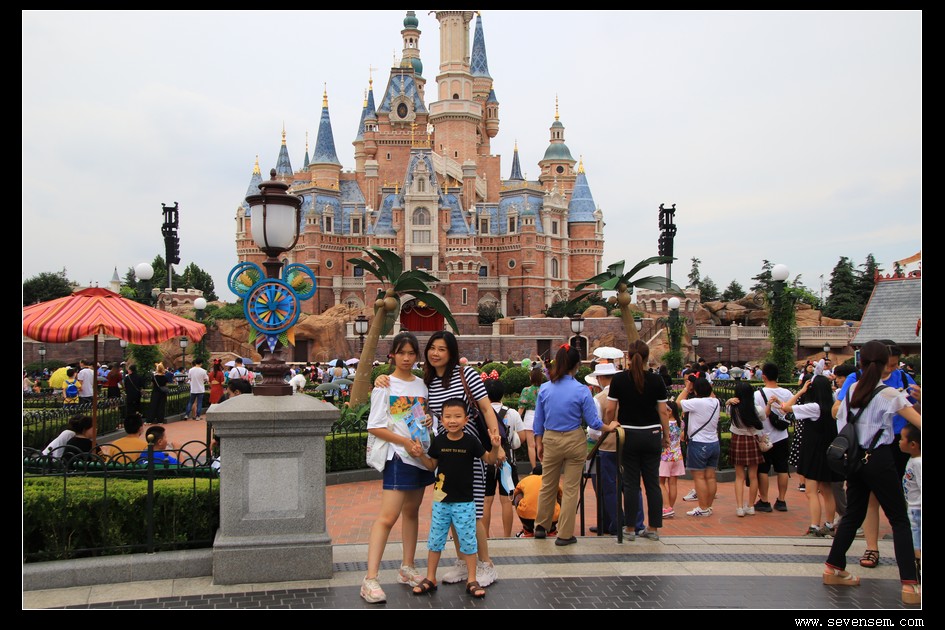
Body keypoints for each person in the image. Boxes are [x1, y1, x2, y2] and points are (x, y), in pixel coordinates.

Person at [375, 330, 504, 587]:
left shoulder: (467, 375)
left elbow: (486, 408)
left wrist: (495, 443)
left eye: (442, 349)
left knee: (473, 511)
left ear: (451, 352)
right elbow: (427, 413)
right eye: (432, 348)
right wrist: (381, 378)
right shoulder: (430, 382)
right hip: (445, 454)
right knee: (454, 506)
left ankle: (485, 564)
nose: (435, 353)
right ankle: (462, 562)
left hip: (470, 451)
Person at [822, 340, 921, 606]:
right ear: (886, 364)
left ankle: (833, 568)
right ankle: (910, 584)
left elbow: (840, 420)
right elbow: (918, 422)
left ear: (861, 363)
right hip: (879, 458)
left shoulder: (852, 389)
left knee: (853, 514)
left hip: (854, 458)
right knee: (899, 519)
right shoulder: (889, 394)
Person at [360, 332, 435, 605]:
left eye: (411, 353)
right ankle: (370, 579)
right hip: (398, 457)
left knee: (412, 512)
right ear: (392, 354)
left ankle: (407, 567)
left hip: (419, 457)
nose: (406, 358)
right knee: (388, 517)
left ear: (417, 356)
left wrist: (428, 422)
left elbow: (423, 418)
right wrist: (404, 442)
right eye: (401, 352)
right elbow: (375, 426)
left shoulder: (422, 386)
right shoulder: (384, 386)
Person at [411, 398, 501, 599]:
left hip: (465, 502)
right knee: (435, 541)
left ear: (466, 419)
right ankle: (430, 578)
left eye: (458, 416)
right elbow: (431, 466)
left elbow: (490, 460)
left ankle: (471, 579)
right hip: (441, 501)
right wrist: (420, 455)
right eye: (448, 417)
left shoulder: (471, 441)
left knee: (468, 542)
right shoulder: (439, 441)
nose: (453, 421)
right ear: (441, 420)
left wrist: (495, 447)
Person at [535, 343, 617, 547]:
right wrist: (609, 427)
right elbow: (594, 422)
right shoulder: (582, 390)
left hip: (551, 438)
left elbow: (538, 421)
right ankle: (564, 534)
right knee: (571, 489)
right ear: (576, 365)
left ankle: (541, 526)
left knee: (548, 485)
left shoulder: (545, 388)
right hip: (573, 439)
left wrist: (538, 442)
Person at [780, 375, 842, 536]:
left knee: (811, 491)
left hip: (814, 452)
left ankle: (814, 525)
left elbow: (785, 407)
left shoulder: (814, 407)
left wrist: (801, 391)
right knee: (827, 490)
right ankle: (829, 524)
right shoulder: (832, 405)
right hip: (828, 452)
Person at [482, 375, 526, 538]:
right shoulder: (512, 413)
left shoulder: (482, 413)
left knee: (486, 500)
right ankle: (507, 537)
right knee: (507, 500)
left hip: (486, 460)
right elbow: (522, 437)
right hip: (507, 462)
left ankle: (485, 537)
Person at [586, 362, 623, 533]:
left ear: (600, 378)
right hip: (625, 445)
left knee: (606, 488)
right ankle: (633, 523)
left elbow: (594, 430)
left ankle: (613, 523)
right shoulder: (625, 394)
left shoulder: (599, 398)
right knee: (630, 486)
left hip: (606, 447)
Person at [676, 376, 720, 517]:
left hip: (699, 443)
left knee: (699, 477)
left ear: (696, 390)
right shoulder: (716, 402)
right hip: (714, 443)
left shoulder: (696, 402)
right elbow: (711, 394)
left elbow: (677, 403)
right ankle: (708, 506)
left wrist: (687, 388)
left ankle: (703, 507)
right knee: (711, 477)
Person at [753, 362, 794, 513]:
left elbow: (757, 415)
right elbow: (791, 409)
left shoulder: (757, 394)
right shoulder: (787, 393)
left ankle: (764, 500)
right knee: (782, 468)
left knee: (763, 470)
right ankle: (781, 500)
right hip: (782, 435)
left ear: (763, 376)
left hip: (764, 437)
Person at [725, 381, 766, 517]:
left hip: (737, 440)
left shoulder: (732, 409)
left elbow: (726, 411)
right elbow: (764, 417)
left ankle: (739, 507)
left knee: (739, 477)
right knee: (753, 476)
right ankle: (751, 506)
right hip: (752, 441)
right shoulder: (757, 409)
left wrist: (728, 402)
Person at [899, 423, 921, 585]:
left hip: (917, 509)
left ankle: (918, 567)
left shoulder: (918, 463)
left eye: (902, 439)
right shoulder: (913, 460)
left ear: (913, 444)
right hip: (913, 508)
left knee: (916, 540)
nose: (899, 442)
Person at [512, 464, 561, 537]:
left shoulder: (526, 480)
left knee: (518, 496)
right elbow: (562, 496)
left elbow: (515, 495)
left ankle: (527, 530)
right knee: (558, 498)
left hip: (528, 519)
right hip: (550, 519)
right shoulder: (552, 480)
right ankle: (552, 530)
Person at [659, 401, 686, 519]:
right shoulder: (681, 423)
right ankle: (670, 507)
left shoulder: (663, 425)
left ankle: (666, 507)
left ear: (669, 411)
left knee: (660, 483)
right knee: (673, 483)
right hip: (677, 456)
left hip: (665, 456)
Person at [517, 367, 545, 472]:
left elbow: (521, 408)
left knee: (531, 445)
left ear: (531, 378)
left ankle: (534, 469)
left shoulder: (526, 390)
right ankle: (543, 467)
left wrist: (516, 420)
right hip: (542, 417)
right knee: (542, 444)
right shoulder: (545, 389)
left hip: (529, 417)